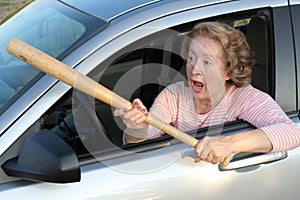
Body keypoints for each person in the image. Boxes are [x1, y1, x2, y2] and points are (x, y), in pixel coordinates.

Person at [114, 21, 300, 165]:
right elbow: (142, 140)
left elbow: (292, 132)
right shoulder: (174, 95)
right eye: (191, 58)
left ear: (228, 71)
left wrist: (229, 144)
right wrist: (136, 128)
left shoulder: (244, 98)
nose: (194, 69)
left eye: (207, 62)